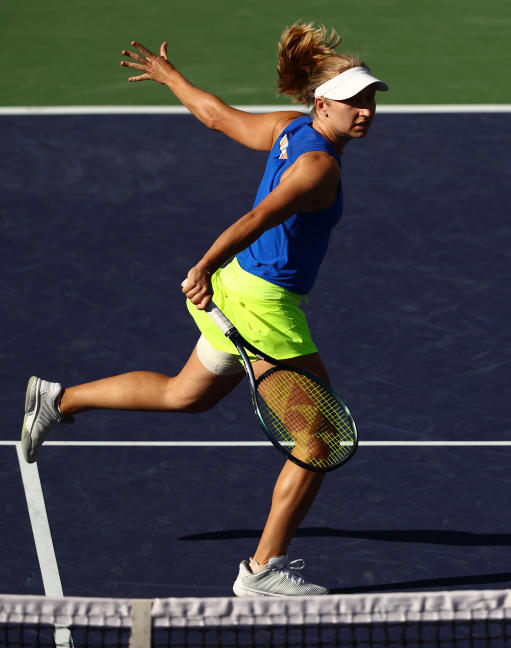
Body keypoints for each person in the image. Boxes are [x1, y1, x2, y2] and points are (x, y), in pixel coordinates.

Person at [19, 21, 387, 597]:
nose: (364, 111)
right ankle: (263, 571)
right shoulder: (320, 168)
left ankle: (58, 399)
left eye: (369, 100)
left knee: (185, 394)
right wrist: (204, 265)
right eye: (352, 103)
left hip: (238, 288)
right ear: (323, 104)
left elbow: (217, 116)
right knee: (319, 440)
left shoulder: (290, 129)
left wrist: (171, 77)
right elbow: (257, 219)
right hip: (261, 302)